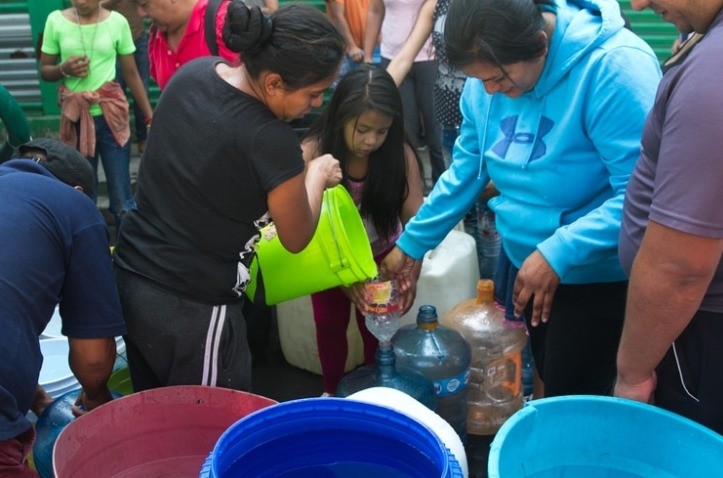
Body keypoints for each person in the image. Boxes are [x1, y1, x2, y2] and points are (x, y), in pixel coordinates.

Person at [382, 0, 662, 398]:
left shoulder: (614, 69)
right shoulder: (485, 86)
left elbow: (644, 196)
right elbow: (466, 172)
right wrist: (410, 245)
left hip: (596, 276)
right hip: (525, 262)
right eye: (479, 80)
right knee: (543, 371)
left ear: (540, 43)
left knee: (578, 394)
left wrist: (560, 250)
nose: (490, 90)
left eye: (498, 78)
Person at [113, 2, 345, 392]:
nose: (316, 104)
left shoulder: (194, 73)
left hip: (133, 279)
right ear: (273, 83)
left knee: (159, 420)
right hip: (193, 306)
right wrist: (317, 175)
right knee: (210, 430)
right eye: (314, 93)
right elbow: (296, 236)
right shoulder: (270, 140)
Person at [615, 0, 723, 435]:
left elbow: (679, 269)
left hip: (702, 331)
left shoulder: (713, 76)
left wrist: (632, 374)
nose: (638, 4)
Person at [0, 139, 126, 477]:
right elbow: (94, 355)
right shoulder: (75, 206)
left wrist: (39, 403)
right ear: (79, 190)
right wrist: (97, 402)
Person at [301, 64, 424, 395]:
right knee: (329, 323)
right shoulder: (313, 151)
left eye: (381, 131)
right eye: (362, 129)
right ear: (341, 116)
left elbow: (415, 216)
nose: (371, 140)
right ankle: (330, 392)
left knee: (378, 326)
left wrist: (413, 266)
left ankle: (376, 392)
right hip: (328, 258)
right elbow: (305, 225)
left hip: (383, 255)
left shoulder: (401, 155)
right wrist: (342, 276)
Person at [39, 0, 153, 232]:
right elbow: (45, 71)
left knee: (123, 200)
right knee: (82, 197)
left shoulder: (117, 22)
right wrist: (64, 69)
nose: (81, 1)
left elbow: (131, 74)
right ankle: (91, 254)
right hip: (76, 121)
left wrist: (150, 117)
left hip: (112, 119)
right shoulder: (55, 21)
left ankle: (125, 257)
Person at [363, 0, 445, 186]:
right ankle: (411, 187)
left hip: (431, 59)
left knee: (437, 132)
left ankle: (442, 187)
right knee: (405, 131)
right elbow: (375, 11)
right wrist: (368, 57)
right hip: (393, 57)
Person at [132, 0, 241, 90]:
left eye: (145, 4)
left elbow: (244, 94)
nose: (141, 13)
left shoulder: (223, 22)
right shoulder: (155, 35)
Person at [103, 0, 152, 154]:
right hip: (113, 41)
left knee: (142, 90)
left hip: (138, 37)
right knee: (118, 92)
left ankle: (143, 139)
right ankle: (121, 142)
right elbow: (93, 6)